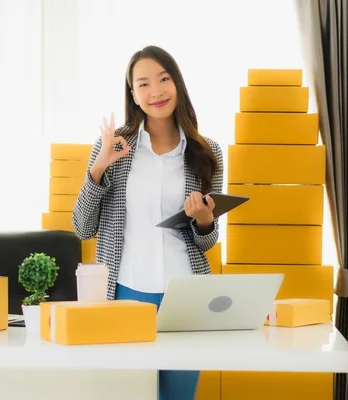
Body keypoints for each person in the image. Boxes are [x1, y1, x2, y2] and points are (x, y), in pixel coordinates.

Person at [72, 45, 223, 400]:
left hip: (185, 296)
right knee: (129, 393)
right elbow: (82, 227)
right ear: (133, 94)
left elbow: (207, 241)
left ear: (177, 84)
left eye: (163, 79)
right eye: (143, 84)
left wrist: (204, 221)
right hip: (126, 291)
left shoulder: (207, 151)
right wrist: (98, 169)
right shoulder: (114, 147)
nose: (155, 91)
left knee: (178, 396)